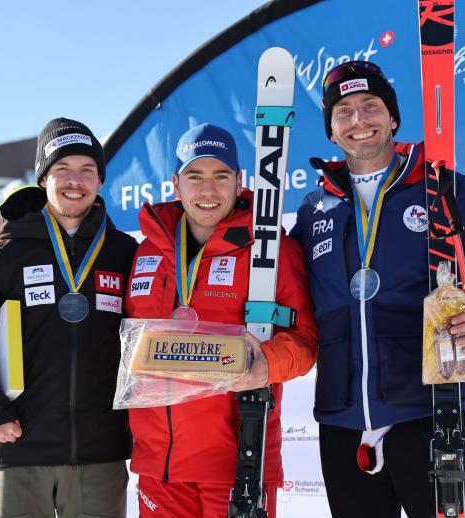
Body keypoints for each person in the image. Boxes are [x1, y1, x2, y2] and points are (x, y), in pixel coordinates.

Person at [289, 61, 465, 518]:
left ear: (393, 118)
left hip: (427, 409)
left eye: (370, 106)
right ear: (331, 130)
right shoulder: (313, 208)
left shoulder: (443, 187)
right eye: (344, 112)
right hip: (340, 419)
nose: (359, 120)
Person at [0, 117, 138, 518]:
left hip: (100, 457)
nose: (75, 181)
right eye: (62, 169)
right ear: (43, 179)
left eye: (87, 170)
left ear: (100, 180)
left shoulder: (124, 254)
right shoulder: (3, 257)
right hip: (20, 451)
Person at [124, 123, 318, 517]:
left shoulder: (269, 247)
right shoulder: (148, 250)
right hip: (159, 468)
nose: (208, 191)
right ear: (176, 184)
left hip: (237, 463)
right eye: (195, 177)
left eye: (220, 176)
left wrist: (267, 363)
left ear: (239, 181)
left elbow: (306, 340)